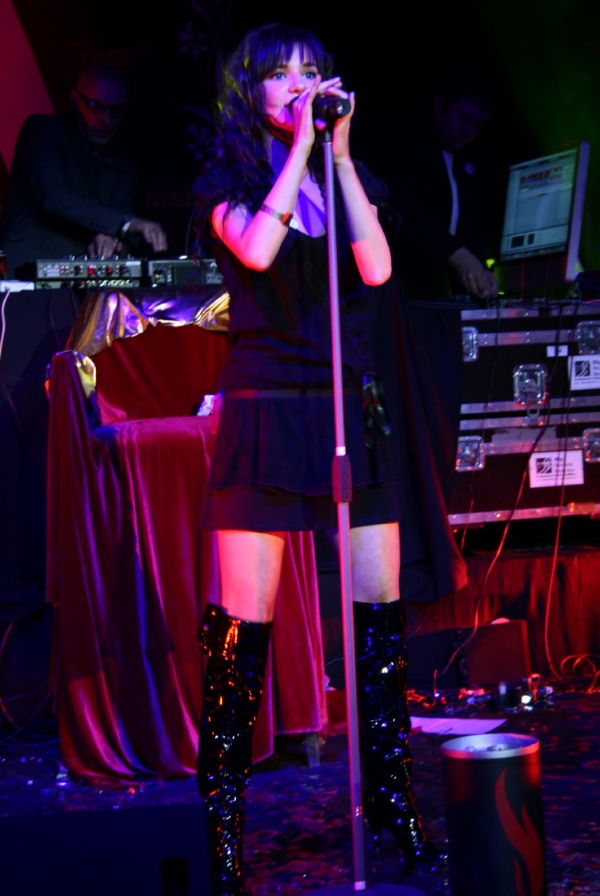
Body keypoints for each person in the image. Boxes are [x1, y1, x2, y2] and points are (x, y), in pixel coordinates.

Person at [193, 23, 445, 896]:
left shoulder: (345, 177)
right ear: (251, 90)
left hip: (348, 406)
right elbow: (259, 251)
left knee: (378, 629)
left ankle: (396, 813)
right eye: (282, 73)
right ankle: (225, 838)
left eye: (312, 70)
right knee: (240, 636)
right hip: (268, 410)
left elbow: (375, 270)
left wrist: (336, 158)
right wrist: (301, 150)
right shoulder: (227, 184)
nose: (300, 83)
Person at [0, 65, 167, 278]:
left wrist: (114, 242)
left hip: (89, 288)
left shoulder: (125, 172)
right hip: (26, 278)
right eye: (96, 106)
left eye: (116, 110)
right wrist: (126, 223)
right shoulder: (43, 132)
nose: (106, 120)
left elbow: (128, 242)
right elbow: (54, 196)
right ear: (74, 100)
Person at [388, 63, 502, 301]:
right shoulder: (402, 139)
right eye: (463, 117)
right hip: (397, 288)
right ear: (440, 105)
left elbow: (478, 227)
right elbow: (408, 211)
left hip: (438, 293)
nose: (469, 130)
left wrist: (482, 267)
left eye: (478, 124)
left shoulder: (472, 160)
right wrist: (460, 256)